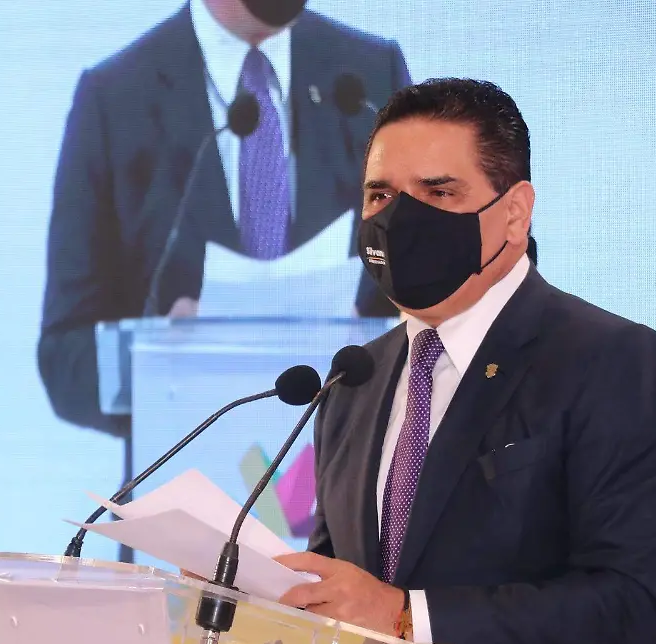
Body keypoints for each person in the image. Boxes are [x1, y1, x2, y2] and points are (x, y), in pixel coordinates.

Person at [272, 78, 656, 644]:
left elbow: (629, 603)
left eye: (438, 192)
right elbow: (346, 594)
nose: (398, 219)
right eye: (380, 195)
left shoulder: (611, 359)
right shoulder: (355, 378)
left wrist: (406, 616)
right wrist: (255, 597)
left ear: (515, 212)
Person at [38, 0, 412, 437]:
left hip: (353, 457)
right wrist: (159, 358)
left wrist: (374, 341)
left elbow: (433, 294)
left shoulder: (370, 73)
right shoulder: (115, 96)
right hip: (186, 463)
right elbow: (66, 359)